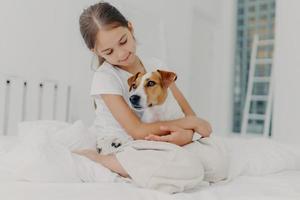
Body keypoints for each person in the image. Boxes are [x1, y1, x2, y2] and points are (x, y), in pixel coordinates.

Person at [73, 2, 226, 185]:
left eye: (123, 41)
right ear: (95, 51)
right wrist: (191, 124)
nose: (121, 54)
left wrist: (185, 135)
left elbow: (187, 112)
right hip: (124, 145)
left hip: (158, 140)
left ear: (130, 27)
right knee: (189, 169)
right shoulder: (105, 77)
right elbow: (137, 131)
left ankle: (164, 161)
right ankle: (99, 160)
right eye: (109, 51)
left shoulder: (156, 66)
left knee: (217, 164)